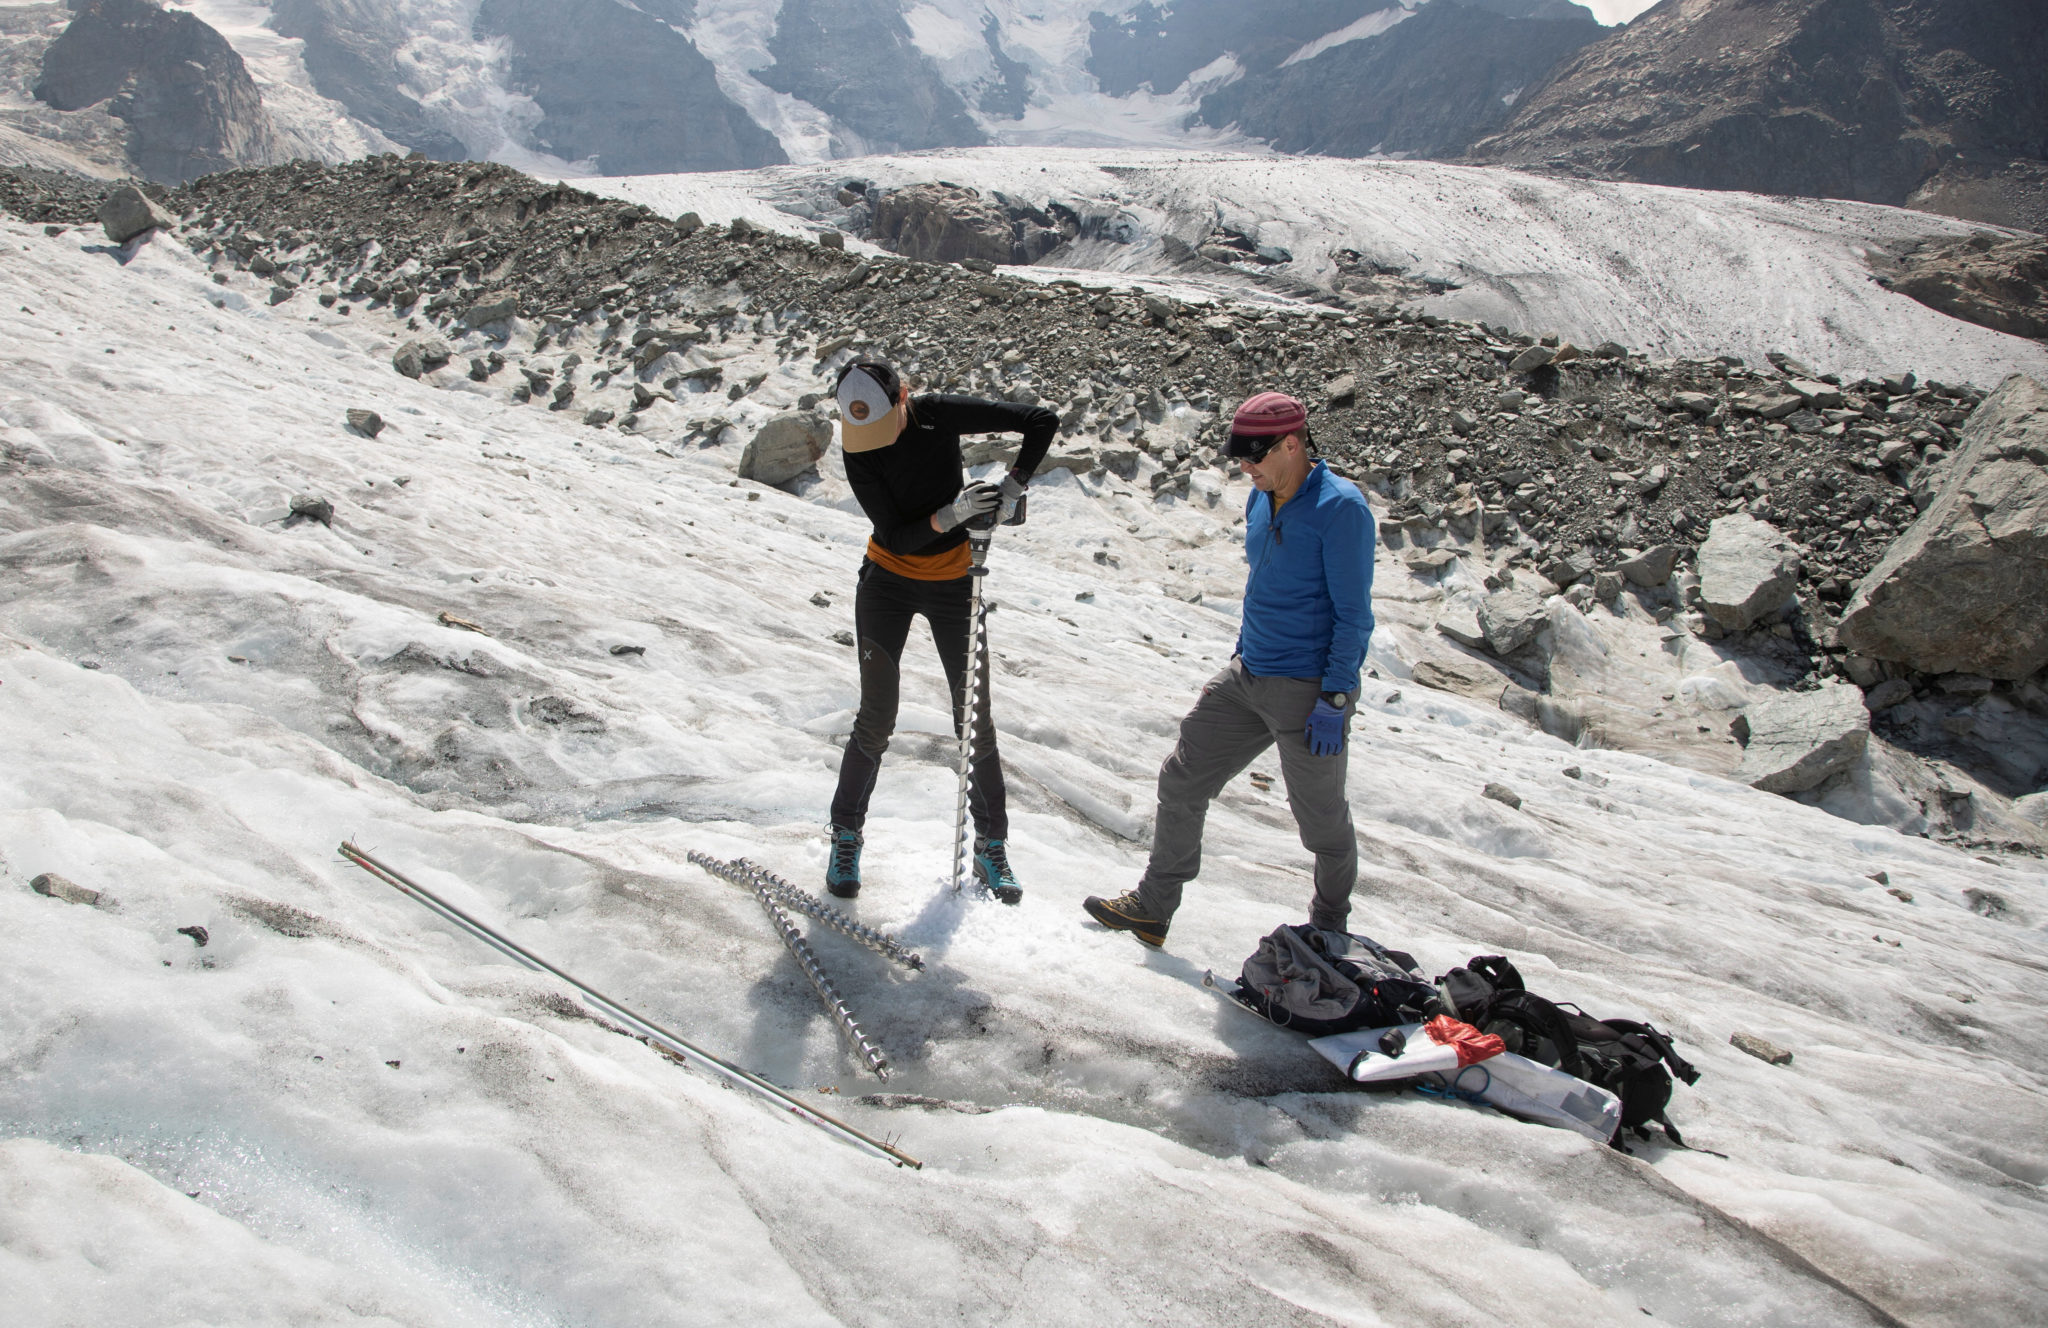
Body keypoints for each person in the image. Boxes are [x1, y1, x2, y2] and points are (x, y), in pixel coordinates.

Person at [1083, 391, 1375, 947]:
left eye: (1254, 457)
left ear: (1292, 445)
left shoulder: (1342, 509)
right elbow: (1261, 584)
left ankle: (1328, 932)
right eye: (1240, 458)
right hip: (1247, 678)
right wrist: (1241, 655)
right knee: (1182, 779)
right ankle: (1153, 906)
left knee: (1322, 826)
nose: (1245, 468)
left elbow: (1354, 617)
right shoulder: (1260, 498)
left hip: (1307, 692)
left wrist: (1335, 697)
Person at [826, 360, 1057, 903]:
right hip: (887, 582)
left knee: (973, 719)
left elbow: (1040, 419)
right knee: (877, 716)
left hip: (956, 585)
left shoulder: (934, 415)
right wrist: (952, 515)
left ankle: (991, 847)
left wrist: (1013, 485)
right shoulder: (857, 445)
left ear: (903, 396)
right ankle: (845, 835)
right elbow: (895, 534)